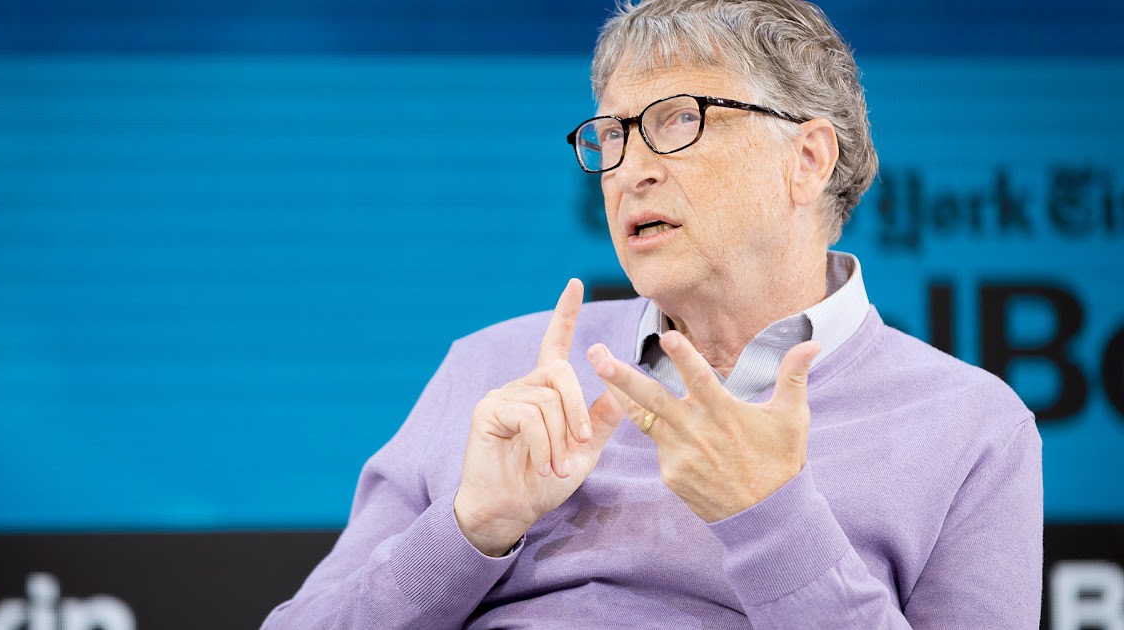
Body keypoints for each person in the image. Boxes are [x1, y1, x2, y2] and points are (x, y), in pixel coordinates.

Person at [261, 0, 1043, 627]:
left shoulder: (971, 428)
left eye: (678, 120)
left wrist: (769, 519)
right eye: (612, 134)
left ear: (806, 160)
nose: (628, 170)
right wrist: (471, 529)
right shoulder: (497, 370)